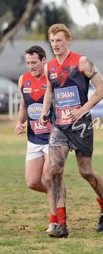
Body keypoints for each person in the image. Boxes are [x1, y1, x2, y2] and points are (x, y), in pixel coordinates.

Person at [39, 23, 103, 238]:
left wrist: (82, 110)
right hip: (59, 126)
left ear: (68, 41)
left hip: (81, 126)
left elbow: (102, 90)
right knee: (55, 170)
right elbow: (49, 92)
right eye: (52, 41)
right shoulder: (50, 67)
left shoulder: (82, 62)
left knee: (86, 172)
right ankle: (61, 224)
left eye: (59, 40)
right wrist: (45, 112)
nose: (55, 45)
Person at [15, 45, 57, 234]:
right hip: (33, 139)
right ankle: (55, 195)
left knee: (48, 177)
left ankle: (54, 219)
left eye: (34, 62)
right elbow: (24, 103)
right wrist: (19, 122)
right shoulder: (23, 80)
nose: (31, 66)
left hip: (53, 138)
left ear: (43, 60)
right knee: (32, 182)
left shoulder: (52, 79)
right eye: (28, 63)